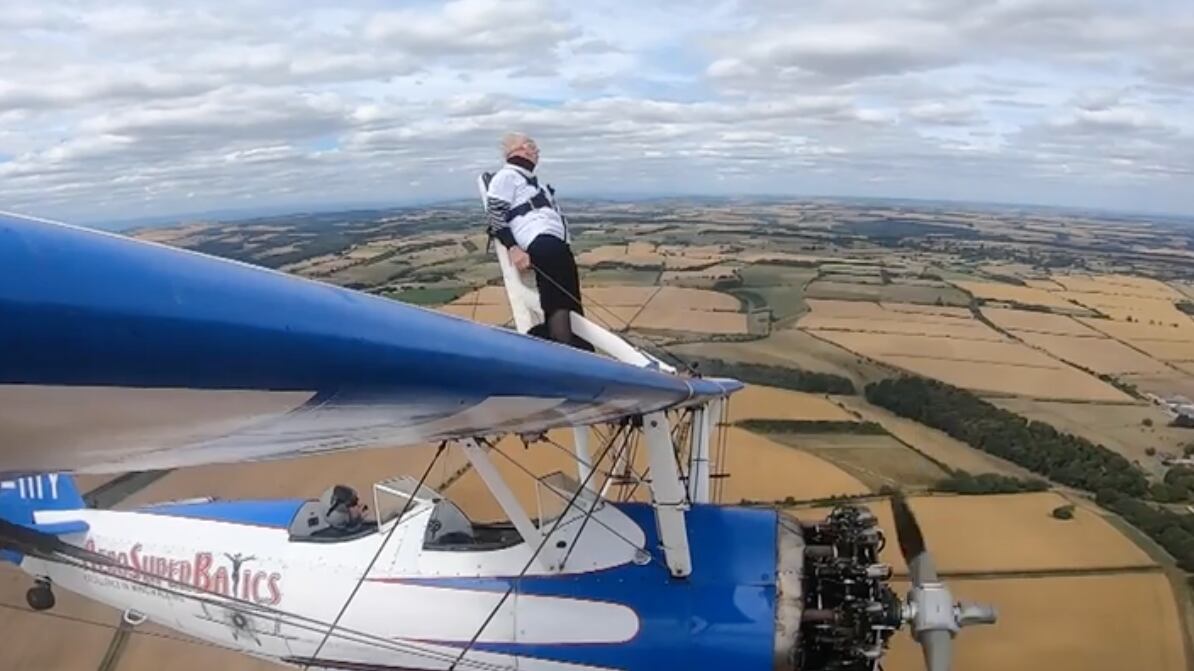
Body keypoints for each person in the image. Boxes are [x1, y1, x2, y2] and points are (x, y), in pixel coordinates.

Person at [485, 132, 586, 347]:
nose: (536, 151)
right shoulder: (506, 177)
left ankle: (572, 341)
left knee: (568, 295)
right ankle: (562, 341)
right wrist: (513, 248)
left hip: (554, 241)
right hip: (537, 238)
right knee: (557, 297)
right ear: (519, 151)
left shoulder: (535, 183)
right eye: (531, 146)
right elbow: (496, 215)